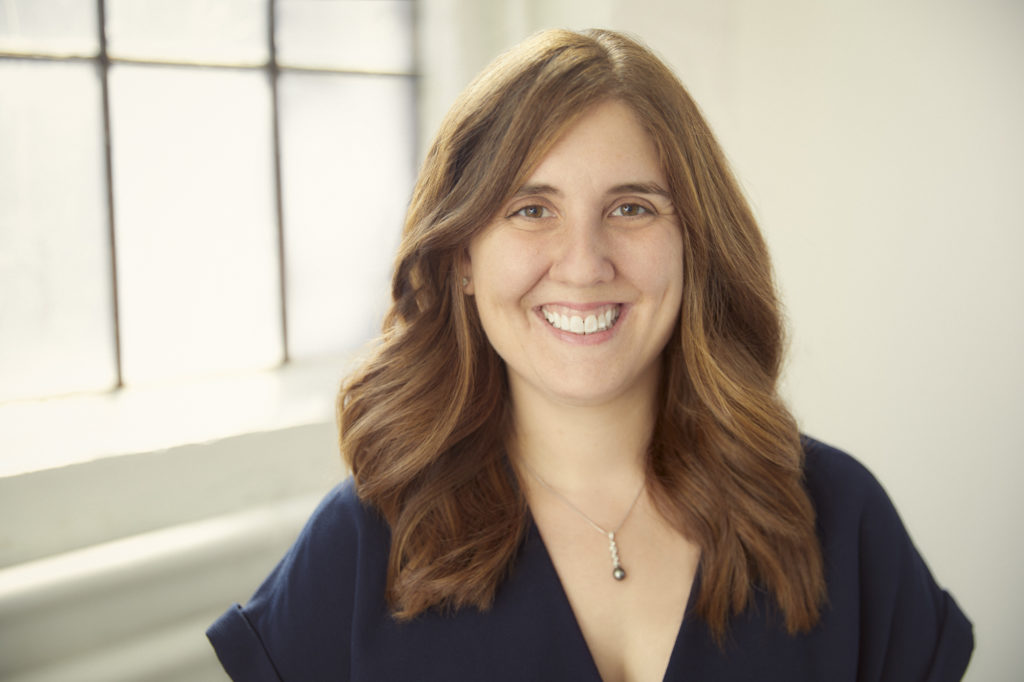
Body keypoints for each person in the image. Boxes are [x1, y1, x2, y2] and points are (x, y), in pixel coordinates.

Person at [207, 28, 973, 681]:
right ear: (463, 258)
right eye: (530, 209)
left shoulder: (840, 517)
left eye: (632, 207)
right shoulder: (363, 547)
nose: (584, 263)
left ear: (694, 245)